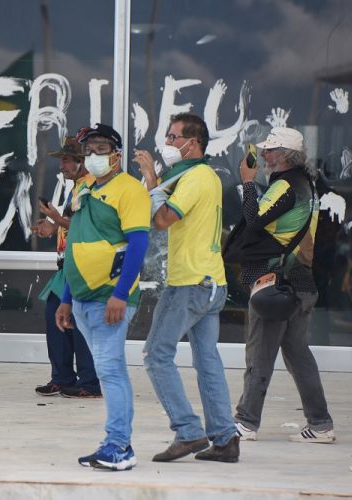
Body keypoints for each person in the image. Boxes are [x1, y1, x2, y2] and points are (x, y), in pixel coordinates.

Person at [134, 112, 239, 463]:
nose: (167, 143)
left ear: (192, 143)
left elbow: (162, 221)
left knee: (156, 354)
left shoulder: (195, 177)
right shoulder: (201, 176)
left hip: (189, 282)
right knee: (207, 361)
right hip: (212, 283)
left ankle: (188, 431)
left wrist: (150, 179)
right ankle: (225, 439)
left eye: (172, 136)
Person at [228, 127, 335, 444]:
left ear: (286, 156)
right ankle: (320, 424)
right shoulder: (307, 185)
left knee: (259, 353)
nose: (262, 155)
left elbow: (253, 219)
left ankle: (245, 422)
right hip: (300, 283)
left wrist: (248, 181)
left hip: (276, 283)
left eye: (270, 150)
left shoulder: (287, 184)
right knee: (298, 355)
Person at [55, 124, 150, 471]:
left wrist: (121, 294)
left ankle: (119, 446)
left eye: (100, 148)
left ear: (117, 154)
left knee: (109, 371)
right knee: (109, 370)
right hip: (81, 300)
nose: (93, 155)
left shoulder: (130, 190)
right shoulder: (84, 190)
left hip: (109, 298)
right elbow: (74, 246)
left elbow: (138, 243)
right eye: (88, 150)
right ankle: (114, 443)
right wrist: (66, 298)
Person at [30, 137, 101, 399]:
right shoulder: (77, 189)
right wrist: (53, 227)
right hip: (67, 266)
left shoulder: (93, 187)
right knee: (55, 315)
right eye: (61, 161)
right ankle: (62, 378)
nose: (61, 166)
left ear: (82, 161)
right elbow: (70, 223)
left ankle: (90, 383)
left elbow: (89, 227)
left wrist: (57, 220)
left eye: (66, 160)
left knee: (78, 322)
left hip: (84, 265)